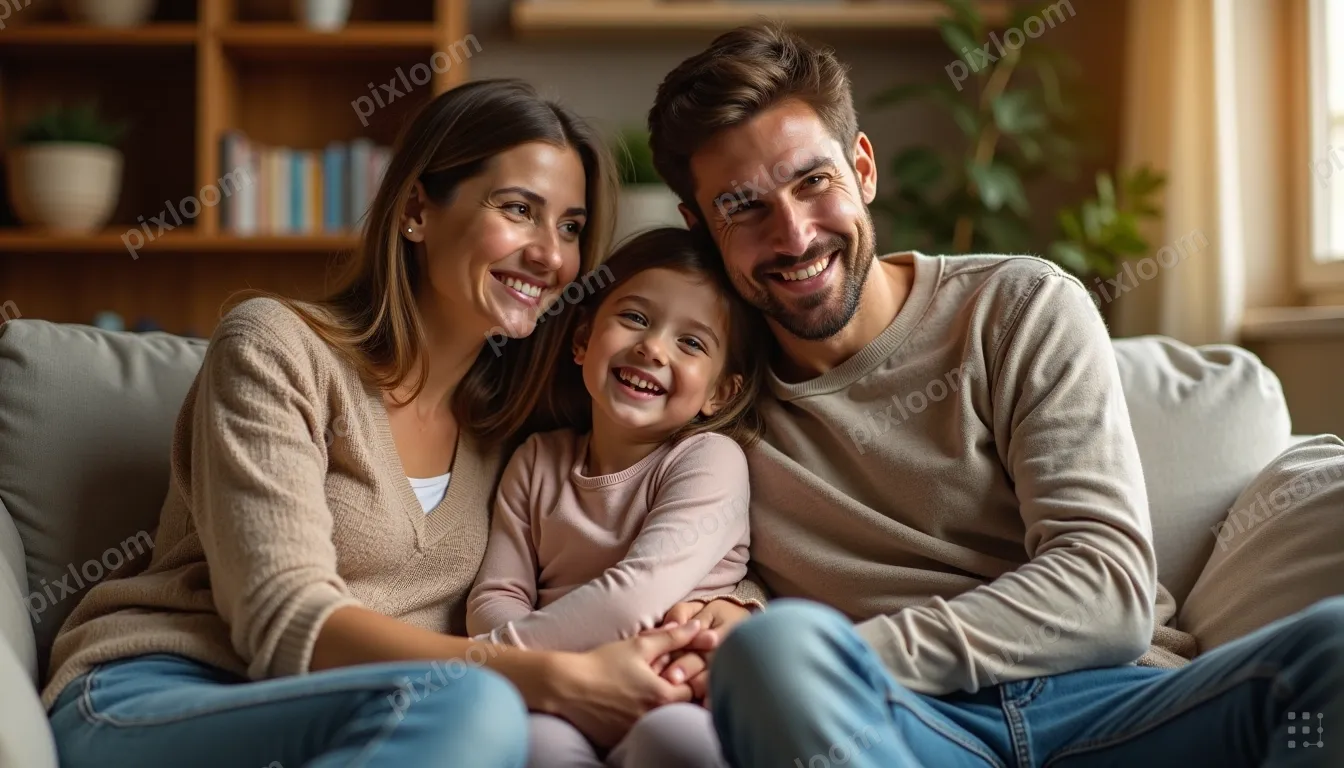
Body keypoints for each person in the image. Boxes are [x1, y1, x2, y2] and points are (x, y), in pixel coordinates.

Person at [645, 22, 1344, 768]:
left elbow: (1106, 588)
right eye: (743, 207)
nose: (793, 235)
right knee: (770, 655)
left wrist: (856, 652)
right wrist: (741, 609)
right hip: (907, 734)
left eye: (813, 181)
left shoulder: (1016, 308)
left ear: (863, 168)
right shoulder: (706, 387)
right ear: (698, 226)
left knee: (1333, 646)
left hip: (1117, 707)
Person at [41, 79, 750, 768]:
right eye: (518, 209)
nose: (551, 255)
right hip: (163, 696)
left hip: (387, 719)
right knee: (477, 707)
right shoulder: (275, 349)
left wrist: (730, 605)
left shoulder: (516, 423)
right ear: (417, 209)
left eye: (570, 227)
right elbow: (283, 621)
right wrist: (547, 677)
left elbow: (639, 513)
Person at [466, 227, 768, 768]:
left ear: (720, 392)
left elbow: (635, 599)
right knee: (533, 748)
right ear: (582, 342)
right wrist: (549, 677)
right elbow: (494, 596)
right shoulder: (537, 459)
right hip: (559, 696)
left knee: (679, 743)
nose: (652, 347)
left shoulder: (709, 460)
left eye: (691, 343)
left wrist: (496, 659)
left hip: (671, 687)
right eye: (635, 318)